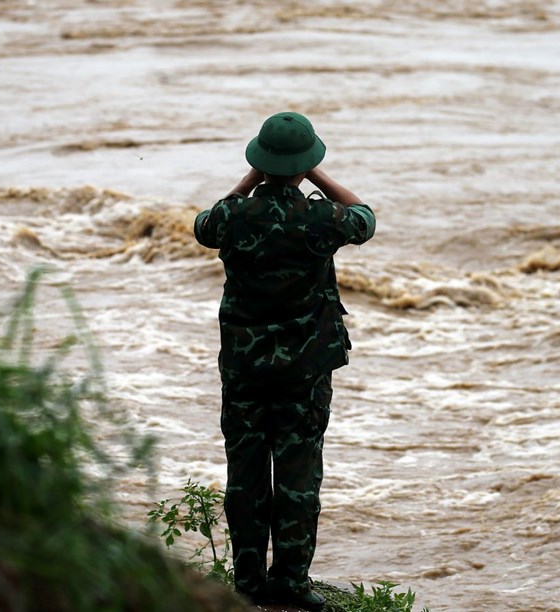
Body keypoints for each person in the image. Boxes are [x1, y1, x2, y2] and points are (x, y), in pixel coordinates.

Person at [193, 111, 375, 611]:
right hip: (304, 371)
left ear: (259, 161)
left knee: (245, 473)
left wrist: (253, 177)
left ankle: (247, 584)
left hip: (245, 370)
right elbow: (365, 217)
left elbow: (204, 225)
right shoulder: (321, 220)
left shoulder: (233, 217)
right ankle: (291, 584)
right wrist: (315, 173)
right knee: (298, 477)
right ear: (306, 164)